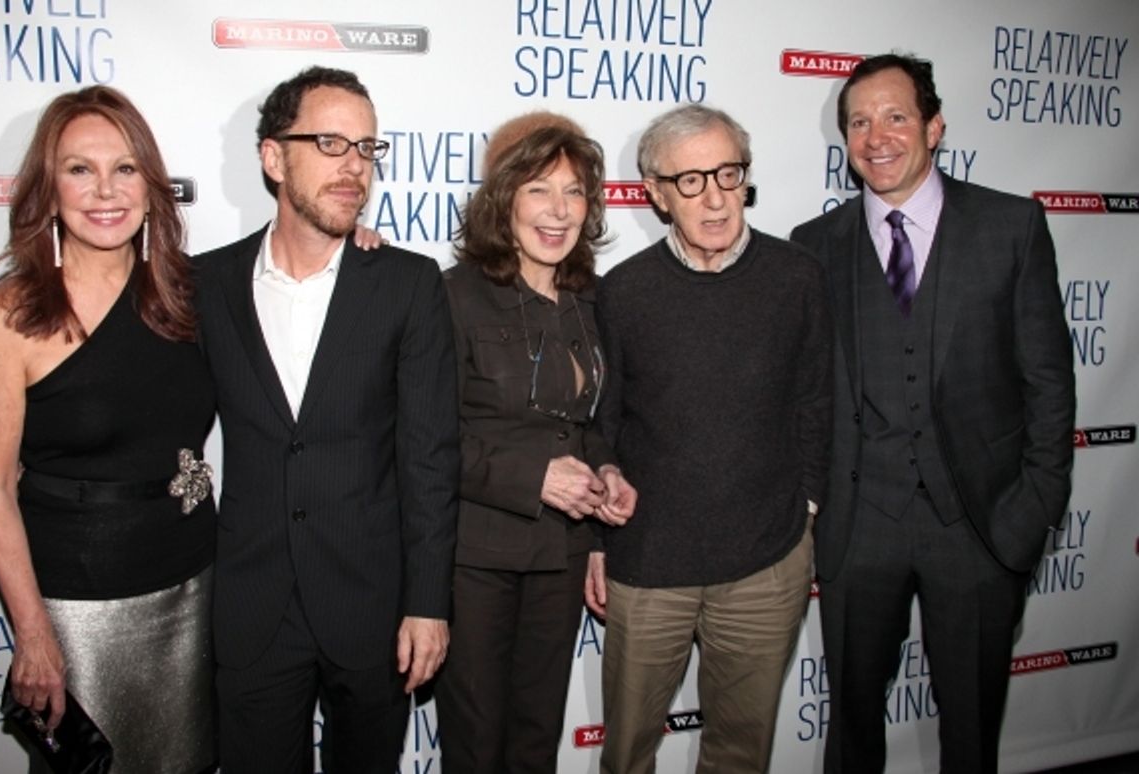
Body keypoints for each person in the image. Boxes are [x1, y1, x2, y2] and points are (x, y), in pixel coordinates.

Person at [790, 53, 1075, 774]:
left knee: (972, 732)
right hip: (860, 532)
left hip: (980, 528)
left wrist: (1030, 512)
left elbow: (1049, 382)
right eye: (858, 122)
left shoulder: (1010, 226)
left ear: (934, 126)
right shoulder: (813, 247)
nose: (876, 137)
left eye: (895, 116)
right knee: (850, 731)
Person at [193, 66, 460, 774]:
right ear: (274, 157)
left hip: (374, 605)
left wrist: (428, 603)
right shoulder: (205, 285)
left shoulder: (407, 283)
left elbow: (431, 456)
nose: (355, 167)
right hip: (253, 606)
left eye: (367, 148)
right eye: (332, 143)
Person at [0, 86, 217, 773]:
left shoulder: (189, 293)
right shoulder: (14, 310)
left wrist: (359, 240)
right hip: (76, 605)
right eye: (80, 169)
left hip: (194, 585)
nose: (105, 190)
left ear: (151, 185)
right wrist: (33, 633)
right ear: (48, 189)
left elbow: (295, 261)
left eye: (125, 168)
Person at [590, 104, 833, 774]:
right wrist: (597, 538)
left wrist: (806, 509)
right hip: (648, 564)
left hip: (766, 560)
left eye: (729, 174)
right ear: (657, 194)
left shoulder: (798, 277)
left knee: (739, 754)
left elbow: (817, 402)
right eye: (691, 181)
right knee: (628, 753)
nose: (717, 197)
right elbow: (602, 425)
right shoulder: (623, 293)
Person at [435, 111, 637, 774]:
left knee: (535, 737)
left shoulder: (592, 298)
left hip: (564, 552)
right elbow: (427, 438)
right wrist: (533, 476)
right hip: (477, 556)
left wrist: (604, 478)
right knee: (477, 739)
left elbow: (593, 424)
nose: (559, 210)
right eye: (539, 189)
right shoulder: (454, 297)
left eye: (574, 191)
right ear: (504, 198)